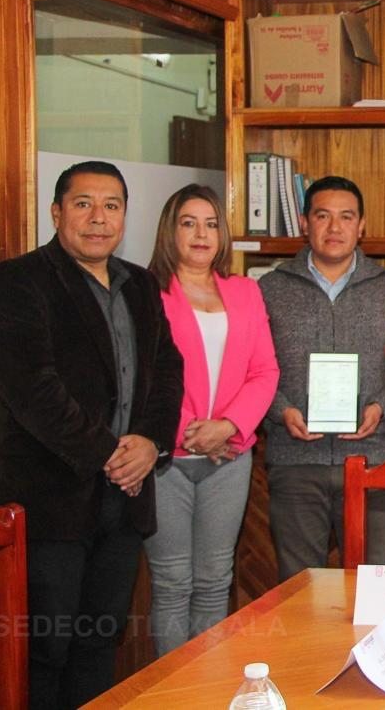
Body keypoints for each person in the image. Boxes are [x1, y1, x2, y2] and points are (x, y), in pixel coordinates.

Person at [0, 161, 183, 709]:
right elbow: (33, 389)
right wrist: (112, 456)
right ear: (56, 212)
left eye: (111, 206)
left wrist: (150, 442)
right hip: (52, 501)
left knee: (99, 643)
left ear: (124, 216)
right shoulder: (19, 281)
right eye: (83, 204)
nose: (98, 218)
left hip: (125, 502)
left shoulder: (140, 283)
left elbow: (167, 370)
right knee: (44, 649)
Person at [260, 176, 385, 580]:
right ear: (304, 223)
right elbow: (250, 368)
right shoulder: (270, 289)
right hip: (295, 463)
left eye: (346, 217)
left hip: (371, 461)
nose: (335, 228)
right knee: (298, 592)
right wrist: (282, 411)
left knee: (371, 588)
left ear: (361, 225)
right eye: (323, 216)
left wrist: (382, 406)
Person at [142, 184, 279, 656]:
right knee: (172, 582)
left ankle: (207, 685)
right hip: (166, 460)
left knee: (215, 580)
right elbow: (142, 375)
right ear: (170, 230)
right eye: (189, 223)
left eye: (211, 224)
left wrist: (228, 426)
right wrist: (188, 431)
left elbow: (265, 371)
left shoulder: (245, 292)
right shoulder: (147, 291)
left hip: (229, 457)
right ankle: (172, 690)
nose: (201, 234)